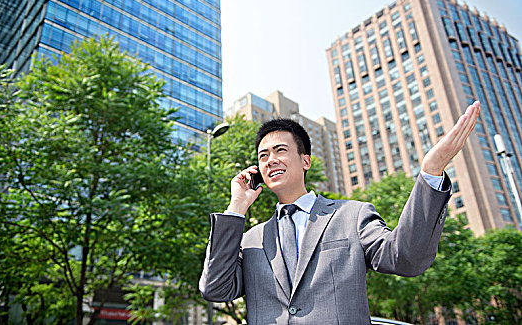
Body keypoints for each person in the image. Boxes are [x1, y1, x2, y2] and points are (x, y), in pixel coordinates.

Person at [199, 101, 480, 324]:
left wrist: (431, 173)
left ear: (305, 160)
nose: (270, 160)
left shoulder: (352, 216)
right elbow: (215, 289)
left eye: (280, 150)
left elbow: (405, 258)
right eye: (263, 156)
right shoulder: (251, 239)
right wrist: (236, 207)